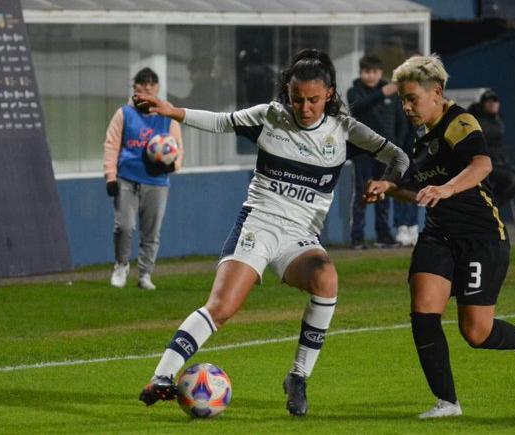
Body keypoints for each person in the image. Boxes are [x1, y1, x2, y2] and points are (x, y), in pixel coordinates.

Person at [134, 49, 409, 416]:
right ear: (288, 93)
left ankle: (298, 376)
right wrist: (173, 111)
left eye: (313, 99)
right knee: (222, 307)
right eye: (297, 99)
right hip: (258, 225)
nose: (305, 107)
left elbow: (399, 158)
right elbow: (220, 121)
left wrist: (386, 184)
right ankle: (163, 376)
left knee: (327, 280)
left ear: (328, 93)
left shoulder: (344, 130)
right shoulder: (270, 118)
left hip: (300, 237)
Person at [365, 54, 515, 419]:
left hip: (481, 236)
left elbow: (482, 165)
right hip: (439, 234)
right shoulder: (420, 139)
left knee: (476, 333)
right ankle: (447, 402)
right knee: (423, 308)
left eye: (411, 98)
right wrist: (389, 186)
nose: (406, 106)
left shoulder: (459, 121)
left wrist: (447, 189)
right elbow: (419, 190)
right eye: (402, 98)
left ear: (437, 93)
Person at [103, 67, 184, 291]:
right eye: (143, 82)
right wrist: (110, 176)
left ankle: (145, 274)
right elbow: (111, 144)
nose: (147, 86)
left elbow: (178, 148)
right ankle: (121, 265)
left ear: (157, 88)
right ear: (135, 87)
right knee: (124, 226)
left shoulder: (167, 118)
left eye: (152, 83)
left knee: (151, 232)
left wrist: (172, 164)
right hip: (127, 179)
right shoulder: (124, 114)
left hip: (157, 182)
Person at [347, 54, 409, 249]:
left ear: (381, 72)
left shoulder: (392, 94)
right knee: (361, 193)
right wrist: (382, 93)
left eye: (374, 72)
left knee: (384, 192)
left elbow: (402, 122)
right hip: (362, 151)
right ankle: (357, 237)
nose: (370, 76)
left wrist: (396, 146)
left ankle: (384, 236)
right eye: (366, 72)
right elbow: (357, 108)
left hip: (386, 153)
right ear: (360, 73)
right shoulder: (354, 91)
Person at [468, 90, 515, 208]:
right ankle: (488, 209)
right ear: (483, 104)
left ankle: (491, 207)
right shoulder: (475, 119)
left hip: (498, 162)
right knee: (509, 179)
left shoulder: (497, 120)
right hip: (480, 163)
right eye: (489, 102)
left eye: (495, 101)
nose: (493, 104)